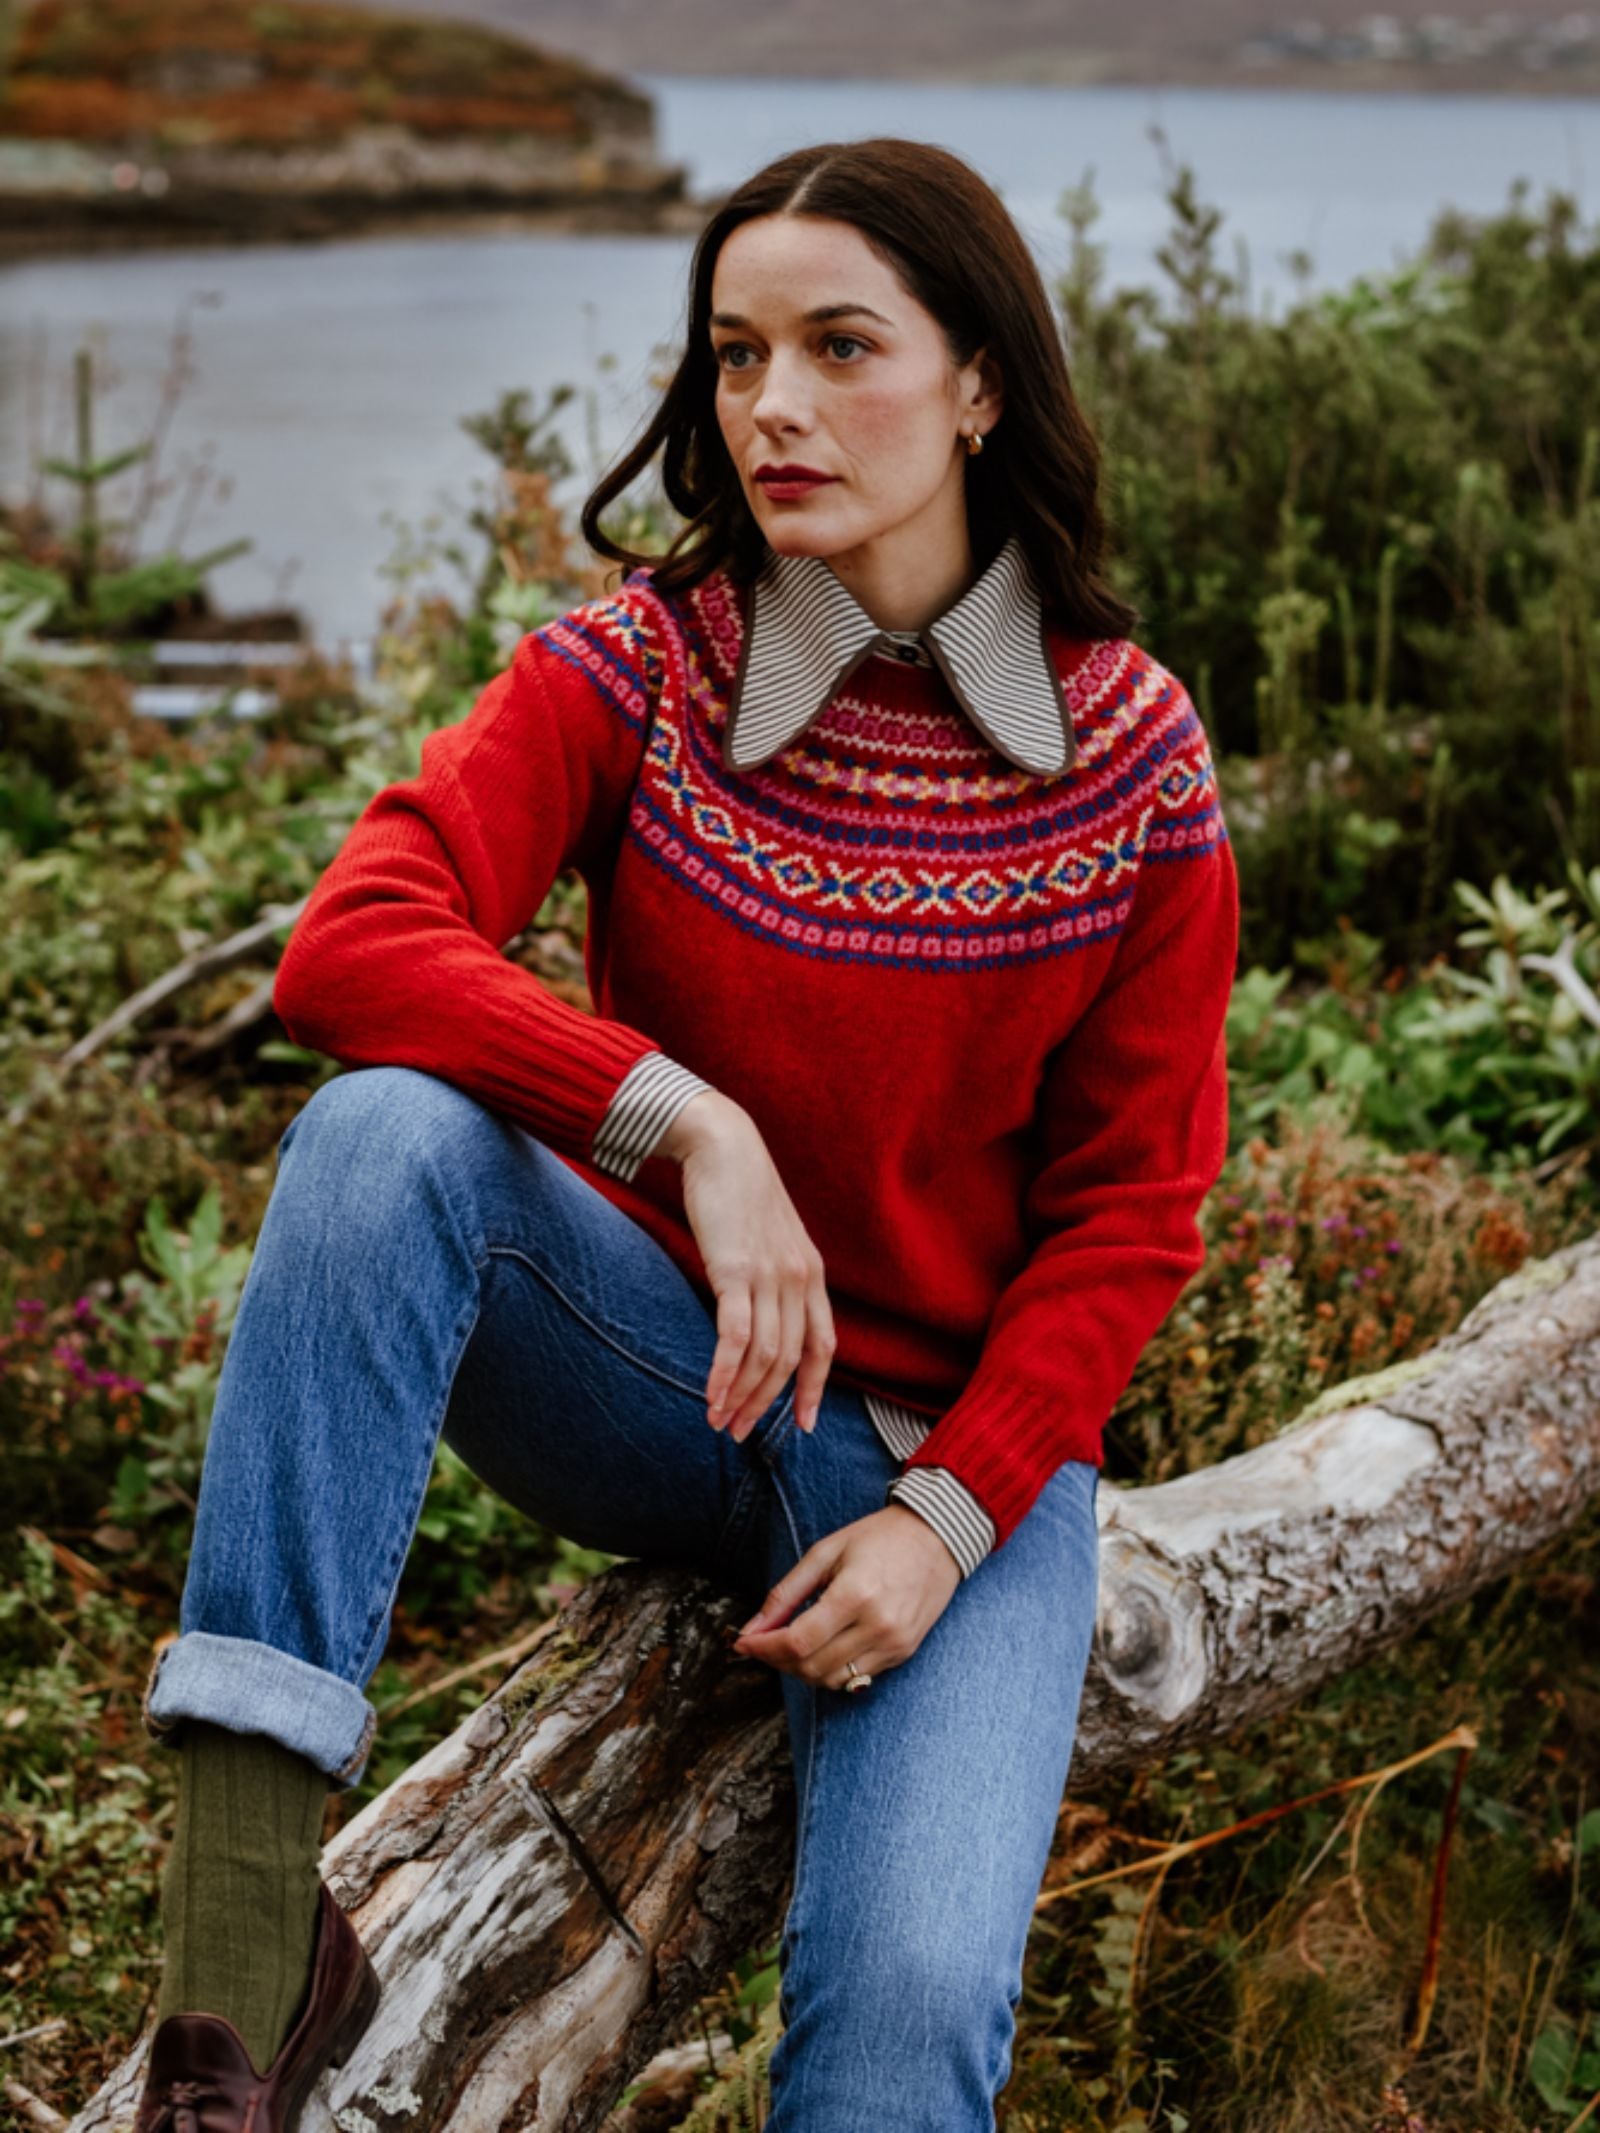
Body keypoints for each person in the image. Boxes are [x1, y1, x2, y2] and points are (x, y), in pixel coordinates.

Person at [132, 134, 1238, 2133]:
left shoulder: (1134, 762)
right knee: (382, 1139)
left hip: (948, 1466)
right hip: (671, 1379)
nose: (771, 407)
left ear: (980, 380)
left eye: (838, 346)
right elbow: (351, 938)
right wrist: (684, 1119)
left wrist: (947, 1516)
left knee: (905, 2017)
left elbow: (1131, 1208)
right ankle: (236, 1951)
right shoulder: (645, 663)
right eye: (734, 355)